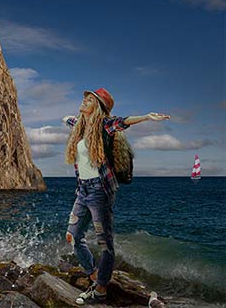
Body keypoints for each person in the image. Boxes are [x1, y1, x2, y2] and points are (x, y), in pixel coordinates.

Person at [62, 88, 170, 305]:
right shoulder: (80, 125)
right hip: (81, 190)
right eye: (84, 98)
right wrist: (67, 119)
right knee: (72, 237)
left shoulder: (104, 125)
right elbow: (69, 119)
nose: (84, 101)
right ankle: (94, 276)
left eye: (89, 100)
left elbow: (123, 121)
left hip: (99, 191)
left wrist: (147, 117)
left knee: (105, 244)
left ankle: (100, 290)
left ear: (99, 107)